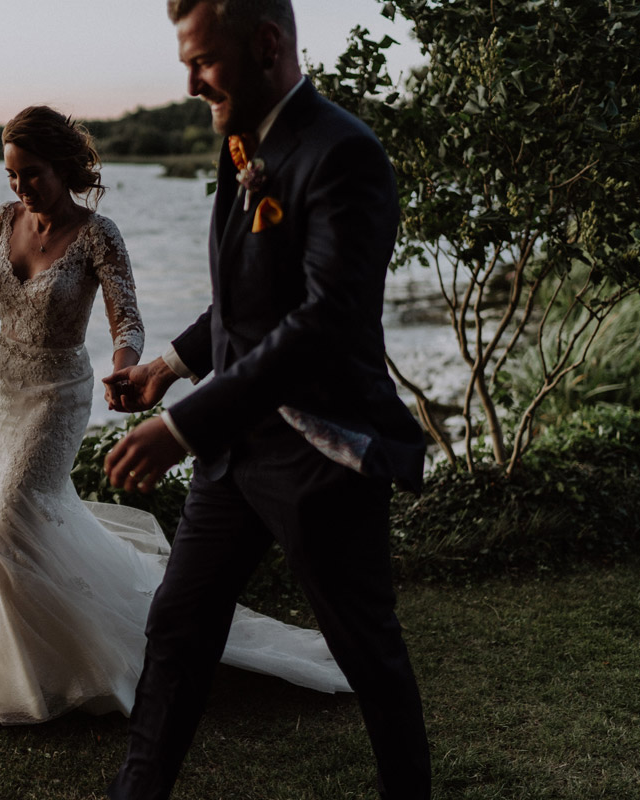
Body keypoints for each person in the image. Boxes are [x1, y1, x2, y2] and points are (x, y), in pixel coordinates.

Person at [0, 105, 350, 728]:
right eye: (11, 176)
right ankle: (52, 677)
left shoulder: (99, 234)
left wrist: (127, 364)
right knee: (31, 525)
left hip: (60, 393)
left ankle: (43, 688)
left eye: (33, 175)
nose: (22, 188)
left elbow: (125, 317)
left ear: (64, 168)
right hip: (7, 389)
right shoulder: (2, 223)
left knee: (7, 521)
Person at [101, 2, 432, 798]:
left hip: (322, 454)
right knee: (178, 629)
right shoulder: (243, 143)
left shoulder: (343, 153)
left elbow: (322, 322)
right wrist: (172, 366)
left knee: (367, 653)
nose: (188, 83)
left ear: (267, 45)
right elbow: (250, 303)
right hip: (235, 455)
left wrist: (181, 426)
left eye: (203, 62)